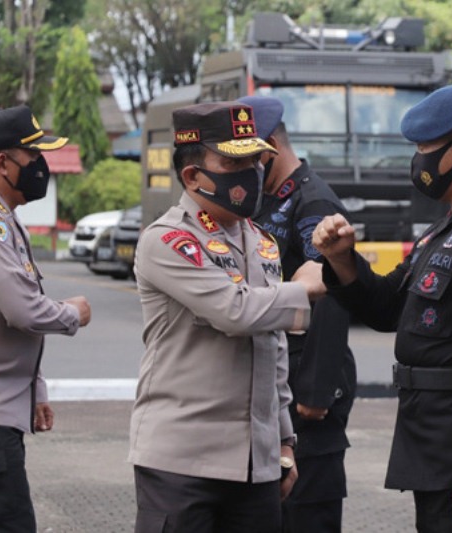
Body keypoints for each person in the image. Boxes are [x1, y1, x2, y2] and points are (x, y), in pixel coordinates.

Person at [312, 83, 452, 532]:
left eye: (423, 148)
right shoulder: (448, 229)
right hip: (436, 447)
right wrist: (342, 259)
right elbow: (386, 309)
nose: (417, 160)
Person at [129, 101, 324, 533]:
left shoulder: (261, 242)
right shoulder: (168, 240)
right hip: (182, 462)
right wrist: (304, 287)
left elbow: (273, 348)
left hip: (255, 463)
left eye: (255, 160)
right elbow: (235, 312)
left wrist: (284, 440)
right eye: (234, 163)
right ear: (192, 176)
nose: (252, 172)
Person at [239, 95, 357, 533]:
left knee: (308, 505)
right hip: (281, 374)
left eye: (247, 158)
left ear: (270, 147)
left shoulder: (313, 202)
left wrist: (316, 390)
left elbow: (333, 289)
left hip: (308, 385)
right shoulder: (267, 199)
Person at [0, 105, 92, 531]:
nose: (41, 167)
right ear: (3, 163)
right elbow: (22, 311)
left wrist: (34, 388)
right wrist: (73, 313)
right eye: (33, 156)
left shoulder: (7, 219)